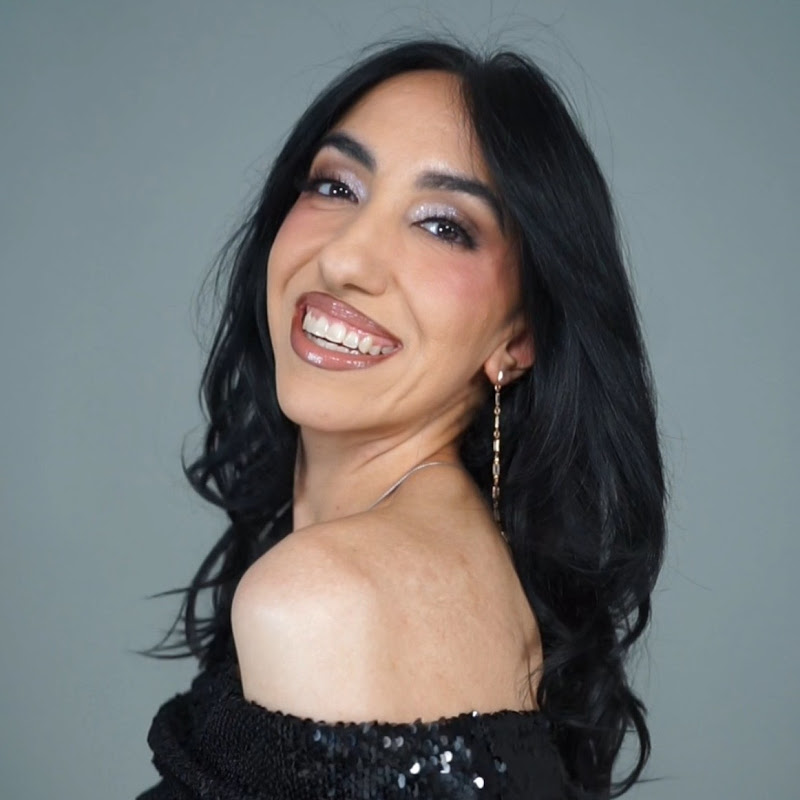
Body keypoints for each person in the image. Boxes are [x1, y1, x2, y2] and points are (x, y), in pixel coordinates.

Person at [138, 38, 666, 800]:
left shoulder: (325, 599)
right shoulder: (486, 573)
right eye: (335, 186)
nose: (346, 260)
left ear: (518, 339)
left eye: (443, 225)